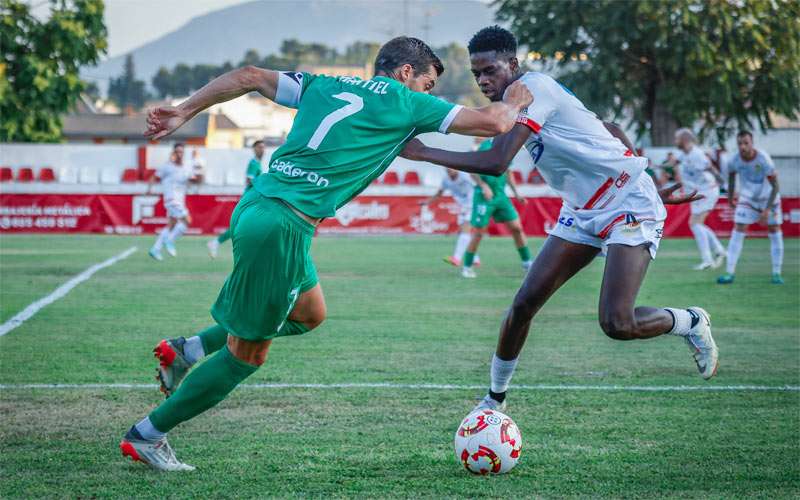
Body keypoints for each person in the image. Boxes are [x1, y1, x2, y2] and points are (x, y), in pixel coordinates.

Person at [121, 36, 533, 471]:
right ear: (406, 73)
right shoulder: (407, 102)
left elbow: (248, 76)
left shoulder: (325, 84)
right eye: (428, 84)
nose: (429, 96)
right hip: (282, 226)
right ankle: (148, 434)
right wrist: (517, 99)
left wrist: (184, 110)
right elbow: (494, 123)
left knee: (309, 313)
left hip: (260, 207)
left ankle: (185, 350)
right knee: (248, 354)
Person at [400, 26, 719, 413]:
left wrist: (424, 152)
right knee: (523, 305)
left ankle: (688, 321)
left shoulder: (532, 91)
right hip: (583, 213)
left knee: (617, 324)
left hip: (629, 206)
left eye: (491, 70)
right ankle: (493, 401)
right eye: (477, 74)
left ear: (513, 65)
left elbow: (496, 162)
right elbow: (611, 129)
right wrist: (643, 172)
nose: (484, 80)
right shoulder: (515, 103)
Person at [717, 130, 783, 284]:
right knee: (738, 228)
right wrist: (730, 197)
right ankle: (729, 273)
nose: (743, 146)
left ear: (752, 143)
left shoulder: (764, 159)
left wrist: (767, 210)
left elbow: (775, 186)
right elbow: (732, 179)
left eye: (746, 143)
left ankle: (776, 273)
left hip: (769, 198)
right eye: (740, 143)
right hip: (748, 199)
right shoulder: (733, 160)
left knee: (774, 229)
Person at [461, 137, 530, 278]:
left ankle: (527, 263)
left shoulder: (506, 147)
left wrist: (517, 194)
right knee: (479, 233)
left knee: (517, 228)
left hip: (501, 195)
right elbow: (472, 170)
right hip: (483, 196)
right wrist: (483, 185)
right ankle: (467, 267)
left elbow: (509, 172)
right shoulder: (483, 146)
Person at [671, 129, 726, 270]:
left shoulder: (697, 155)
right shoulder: (684, 154)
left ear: (684, 140)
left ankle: (707, 259)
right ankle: (719, 250)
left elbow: (710, 168)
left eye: (677, 139)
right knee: (696, 224)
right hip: (698, 191)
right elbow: (676, 163)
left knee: (695, 224)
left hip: (707, 190)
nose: (675, 141)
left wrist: (723, 183)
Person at [207, 140, 267, 258]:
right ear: (254, 149)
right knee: (243, 225)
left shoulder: (258, 163)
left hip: (253, 199)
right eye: (260, 147)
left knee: (246, 225)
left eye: (263, 147)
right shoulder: (253, 163)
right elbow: (249, 180)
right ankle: (216, 242)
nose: (262, 150)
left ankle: (217, 242)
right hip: (249, 199)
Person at [147, 143, 202, 261]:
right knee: (187, 220)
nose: (179, 154)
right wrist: (149, 190)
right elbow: (154, 177)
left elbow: (195, 180)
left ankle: (155, 249)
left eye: (181, 152)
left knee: (171, 225)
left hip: (179, 201)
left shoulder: (186, 168)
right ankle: (170, 241)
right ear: (173, 153)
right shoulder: (167, 166)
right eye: (177, 152)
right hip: (171, 200)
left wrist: (197, 164)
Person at [420, 168, 481, 267]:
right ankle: (475, 258)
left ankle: (457, 258)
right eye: (448, 169)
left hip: (473, 205)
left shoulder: (465, 175)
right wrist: (427, 202)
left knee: (465, 230)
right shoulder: (446, 180)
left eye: (452, 168)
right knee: (463, 233)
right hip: (463, 207)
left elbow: (479, 184)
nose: (450, 171)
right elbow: (439, 193)